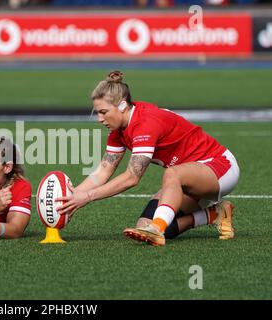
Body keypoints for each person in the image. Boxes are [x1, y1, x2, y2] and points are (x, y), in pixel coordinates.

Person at [57, 71, 239, 246]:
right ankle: (215, 214)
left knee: (172, 174)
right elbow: (103, 171)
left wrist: (87, 197)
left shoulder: (145, 123)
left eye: (103, 112)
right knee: (142, 228)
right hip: (188, 179)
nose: (99, 118)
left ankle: (157, 229)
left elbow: (132, 177)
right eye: (97, 112)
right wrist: (72, 198)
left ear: (122, 106)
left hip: (219, 168)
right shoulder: (118, 129)